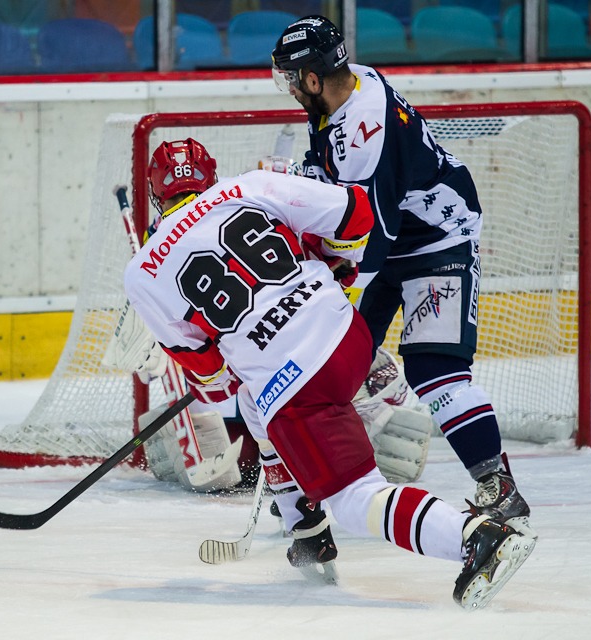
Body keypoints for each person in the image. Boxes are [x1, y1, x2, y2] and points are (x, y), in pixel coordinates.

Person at [123, 137, 535, 608]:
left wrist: (231, 369)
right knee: (258, 404)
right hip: (349, 338)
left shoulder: (142, 272)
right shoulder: (248, 186)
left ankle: (476, 538)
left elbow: (211, 379)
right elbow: (357, 212)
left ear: (156, 196)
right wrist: (331, 260)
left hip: (299, 389)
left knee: (356, 500)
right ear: (210, 177)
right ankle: (304, 526)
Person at [270, 15, 533, 536]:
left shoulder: (366, 132)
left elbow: (371, 234)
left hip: (436, 242)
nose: (291, 90)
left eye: (293, 80)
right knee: (330, 368)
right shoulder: (347, 86)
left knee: (436, 372)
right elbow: (335, 179)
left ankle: (498, 488)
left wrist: (329, 287)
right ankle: (319, 484)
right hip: (389, 241)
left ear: (314, 78)